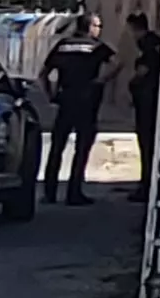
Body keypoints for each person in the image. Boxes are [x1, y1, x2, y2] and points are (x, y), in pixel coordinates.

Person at [39, 18, 114, 205]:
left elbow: (43, 73)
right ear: (89, 27)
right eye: (97, 26)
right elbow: (117, 63)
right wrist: (101, 81)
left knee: (57, 146)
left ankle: (50, 192)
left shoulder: (63, 45)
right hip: (87, 100)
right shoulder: (96, 47)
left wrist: (50, 94)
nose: (99, 30)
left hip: (66, 98)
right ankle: (74, 192)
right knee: (82, 147)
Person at [124, 12, 160, 200]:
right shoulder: (156, 41)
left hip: (147, 101)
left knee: (146, 145)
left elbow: (144, 69)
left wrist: (133, 82)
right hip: (154, 99)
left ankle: (146, 186)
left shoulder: (146, 43)